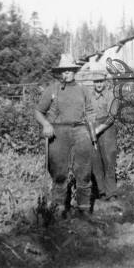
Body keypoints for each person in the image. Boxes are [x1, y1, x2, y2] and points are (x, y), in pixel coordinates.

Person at [34, 54, 95, 219]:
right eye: (62, 71)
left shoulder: (83, 90)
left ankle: (85, 210)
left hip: (81, 131)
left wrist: (92, 131)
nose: (65, 74)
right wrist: (46, 124)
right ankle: (59, 210)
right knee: (59, 174)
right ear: (59, 73)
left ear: (74, 71)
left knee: (84, 172)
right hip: (58, 132)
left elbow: (90, 112)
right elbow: (38, 112)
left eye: (68, 70)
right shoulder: (52, 89)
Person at [89, 71, 118, 203]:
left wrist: (98, 129)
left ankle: (111, 193)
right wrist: (91, 130)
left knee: (109, 160)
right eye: (96, 82)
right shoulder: (89, 96)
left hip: (107, 129)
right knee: (96, 161)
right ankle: (101, 192)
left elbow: (112, 116)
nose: (98, 84)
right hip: (92, 128)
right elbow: (86, 114)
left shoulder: (111, 95)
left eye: (101, 81)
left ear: (105, 82)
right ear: (93, 83)